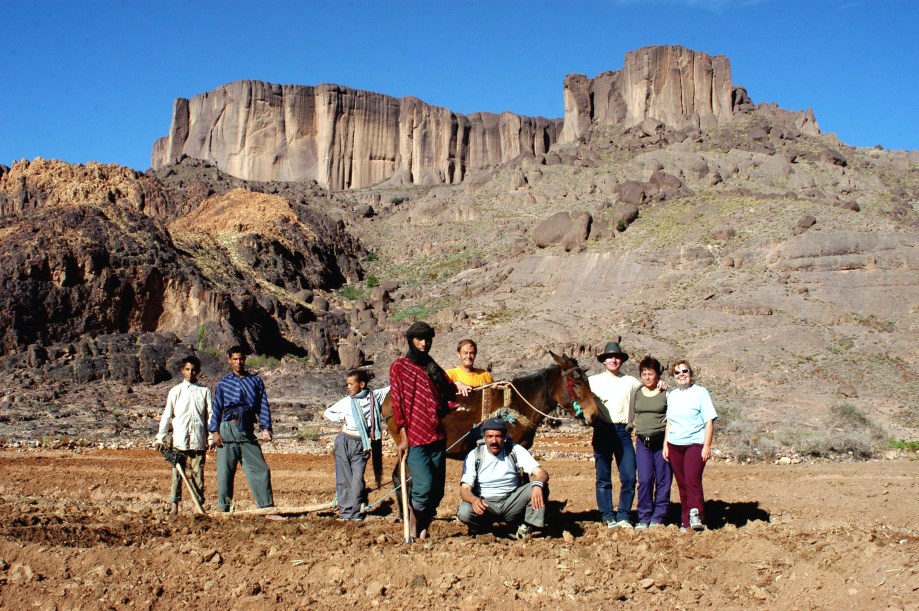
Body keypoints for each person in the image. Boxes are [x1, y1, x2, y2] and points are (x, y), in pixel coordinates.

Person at [389, 321, 458, 539]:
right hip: (416, 437)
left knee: (437, 491)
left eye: (427, 339)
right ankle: (412, 523)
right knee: (424, 485)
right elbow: (398, 403)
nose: (424, 343)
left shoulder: (432, 365)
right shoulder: (399, 367)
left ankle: (423, 526)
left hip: (437, 435)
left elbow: (449, 390)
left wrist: (460, 388)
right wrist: (403, 437)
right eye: (419, 339)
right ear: (411, 340)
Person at [457, 417, 549, 539]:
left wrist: (537, 485)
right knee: (464, 511)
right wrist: (474, 500)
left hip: (511, 501)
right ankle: (483, 528)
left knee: (540, 487)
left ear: (504, 437)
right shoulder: (474, 455)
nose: (494, 441)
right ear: (484, 438)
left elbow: (542, 473)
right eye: (490, 436)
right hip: (486, 504)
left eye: (498, 436)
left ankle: (527, 526)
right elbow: (465, 490)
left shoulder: (514, 450)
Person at [209, 346, 276, 513]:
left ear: (245, 360)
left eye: (241, 359)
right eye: (235, 359)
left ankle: (266, 508)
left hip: (247, 429)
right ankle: (224, 509)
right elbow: (217, 409)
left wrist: (265, 428)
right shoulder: (224, 384)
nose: (239, 362)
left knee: (261, 470)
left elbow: (263, 406)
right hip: (227, 429)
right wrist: (215, 432)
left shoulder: (255, 381)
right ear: (229, 360)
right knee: (225, 472)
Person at [588, 337, 641, 529]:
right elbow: (578, 400)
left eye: (616, 357)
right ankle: (608, 516)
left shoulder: (632, 382)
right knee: (603, 477)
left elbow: (648, 393)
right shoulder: (592, 381)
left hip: (623, 432)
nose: (613, 360)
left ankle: (625, 516)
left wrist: (662, 386)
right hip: (602, 431)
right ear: (604, 360)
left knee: (628, 476)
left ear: (622, 360)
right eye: (609, 357)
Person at [323, 369, 389, 521]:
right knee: (344, 479)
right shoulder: (347, 401)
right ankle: (345, 513)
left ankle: (355, 512)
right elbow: (328, 412)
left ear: (362, 384)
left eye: (351, 384)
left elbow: (391, 388)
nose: (349, 387)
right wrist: (341, 418)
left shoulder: (375, 396)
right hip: (344, 440)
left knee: (357, 479)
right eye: (347, 384)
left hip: (362, 444)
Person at [663, 359, 717, 532]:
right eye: (677, 373)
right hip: (674, 444)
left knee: (692, 479)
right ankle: (685, 521)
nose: (681, 375)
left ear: (690, 374)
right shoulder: (673, 395)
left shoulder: (701, 393)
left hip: (695, 443)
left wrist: (706, 445)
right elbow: (669, 422)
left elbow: (709, 421)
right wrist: (666, 444)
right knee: (682, 483)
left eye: (684, 371)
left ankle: (696, 515)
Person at [154, 355, 212, 515]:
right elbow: (167, 415)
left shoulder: (204, 392)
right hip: (179, 441)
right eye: (187, 370)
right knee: (177, 474)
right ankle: (175, 506)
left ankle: (198, 507)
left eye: (193, 370)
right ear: (182, 371)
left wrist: (212, 437)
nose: (190, 373)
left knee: (198, 475)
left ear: (198, 371)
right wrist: (160, 437)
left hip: (198, 441)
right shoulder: (175, 392)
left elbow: (210, 416)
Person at [631, 356, 672, 530]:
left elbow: (675, 413)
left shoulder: (666, 393)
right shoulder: (637, 392)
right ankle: (644, 517)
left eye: (651, 374)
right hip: (642, 442)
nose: (647, 377)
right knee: (645, 479)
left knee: (664, 480)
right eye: (644, 373)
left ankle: (658, 517)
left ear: (658, 375)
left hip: (662, 441)